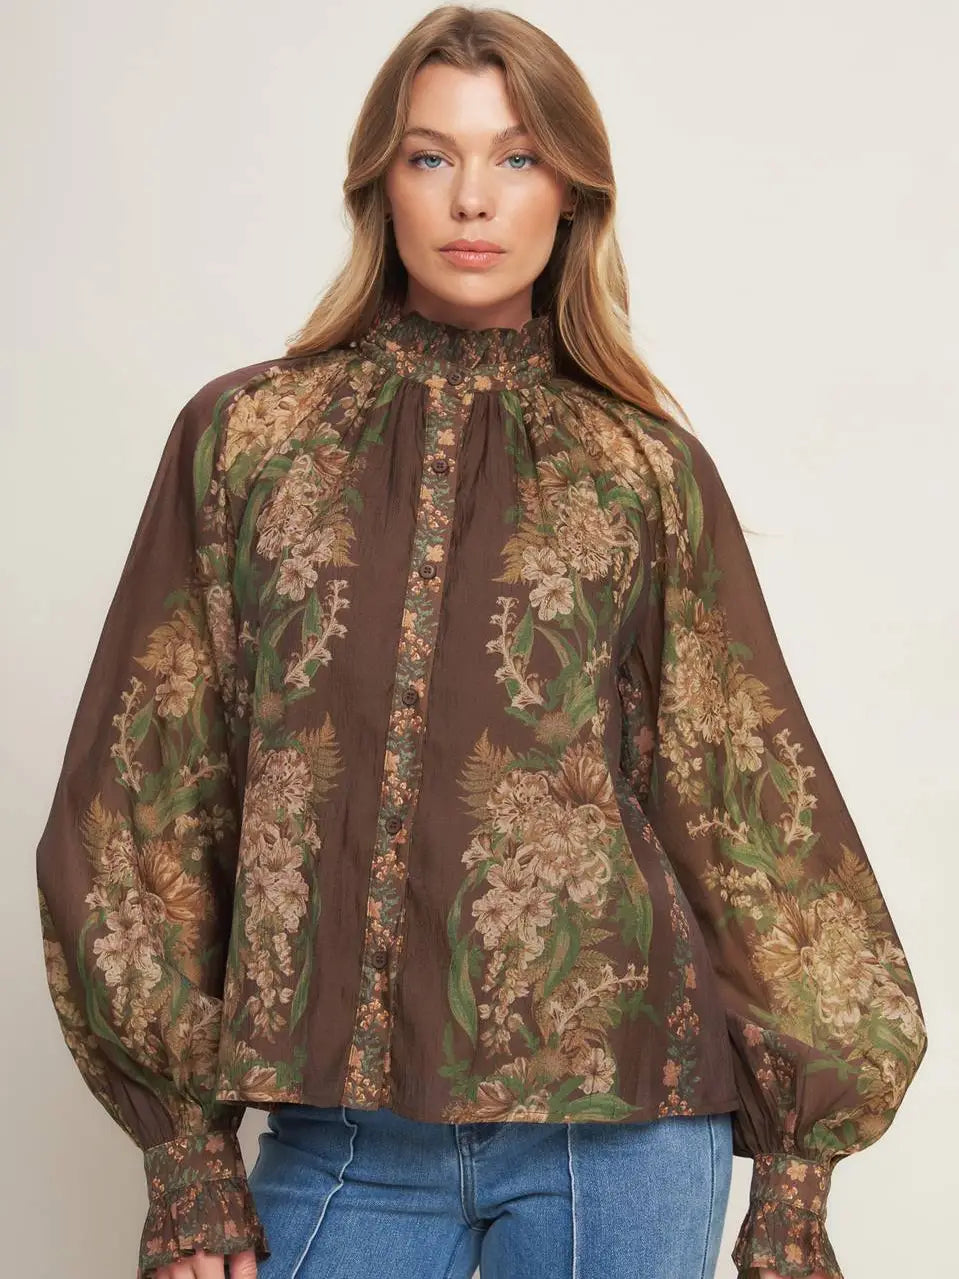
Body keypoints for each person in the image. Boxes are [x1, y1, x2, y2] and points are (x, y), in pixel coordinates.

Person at [34, 6, 928, 1279]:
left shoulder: (643, 471)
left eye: (515, 157)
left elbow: (745, 798)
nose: (471, 198)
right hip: (341, 1131)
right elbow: (145, 788)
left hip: (622, 1131)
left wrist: (795, 1172)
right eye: (430, 155)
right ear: (377, 184)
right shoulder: (246, 443)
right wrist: (185, 1154)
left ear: (570, 195)